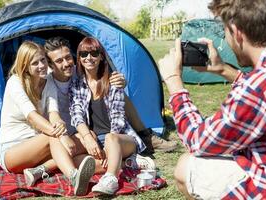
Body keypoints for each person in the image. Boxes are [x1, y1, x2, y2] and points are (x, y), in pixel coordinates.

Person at [158, 0, 266, 199]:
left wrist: (174, 83)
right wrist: (224, 70)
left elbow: (198, 140)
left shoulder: (260, 85)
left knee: (186, 166)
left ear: (236, 32)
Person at [44, 36, 177, 155]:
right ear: (50, 65)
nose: (66, 63)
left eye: (68, 57)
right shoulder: (47, 82)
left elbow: (102, 74)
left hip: (89, 128)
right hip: (74, 130)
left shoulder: (79, 70)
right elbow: (53, 113)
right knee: (68, 152)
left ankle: (146, 136)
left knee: (120, 93)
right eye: (59, 61)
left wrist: (121, 81)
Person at [0, 41, 95, 196]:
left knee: (88, 138)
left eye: (42, 60)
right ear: (25, 66)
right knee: (54, 136)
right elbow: (33, 117)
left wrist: (61, 129)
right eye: (35, 63)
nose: (41, 65)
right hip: (13, 150)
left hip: (41, 147)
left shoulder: (47, 81)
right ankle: (74, 176)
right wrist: (62, 136)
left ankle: (39, 170)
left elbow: (53, 113)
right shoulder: (15, 82)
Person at [69, 37, 154, 195]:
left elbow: (118, 120)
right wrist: (88, 138)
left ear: (101, 56)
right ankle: (126, 163)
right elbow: (76, 114)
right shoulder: (77, 84)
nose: (89, 58)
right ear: (79, 58)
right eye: (84, 54)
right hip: (96, 141)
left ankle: (110, 179)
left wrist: (109, 148)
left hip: (120, 138)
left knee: (110, 138)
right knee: (74, 162)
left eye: (94, 53)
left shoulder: (113, 80)